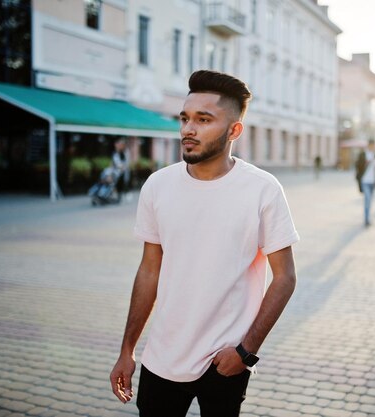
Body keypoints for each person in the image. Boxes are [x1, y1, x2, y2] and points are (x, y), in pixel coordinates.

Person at [109, 70, 299, 417]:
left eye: (203, 119)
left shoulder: (263, 189)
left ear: (234, 130)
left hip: (224, 361)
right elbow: (149, 271)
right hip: (163, 356)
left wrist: (245, 352)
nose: (188, 129)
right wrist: (127, 350)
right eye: (184, 118)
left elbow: (285, 277)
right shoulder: (157, 186)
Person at [355, 139, 375, 227]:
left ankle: (368, 216)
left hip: (372, 181)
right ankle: (366, 219)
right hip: (365, 180)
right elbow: (357, 165)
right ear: (368, 145)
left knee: (370, 201)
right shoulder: (363, 154)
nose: (372, 147)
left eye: (373, 145)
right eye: (371, 145)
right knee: (367, 199)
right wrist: (365, 164)